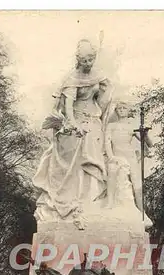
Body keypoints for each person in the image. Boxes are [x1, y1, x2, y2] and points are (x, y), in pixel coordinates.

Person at [32, 39, 113, 229]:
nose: (89, 63)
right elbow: (68, 109)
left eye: (91, 59)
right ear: (78, 59)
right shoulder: (71, 80)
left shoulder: (98, 76)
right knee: (80, 147)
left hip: (93, 120)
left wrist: (107, 90)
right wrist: (75, 126)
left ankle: (92, 203)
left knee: (94, 149)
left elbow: (101, 102)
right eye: (85, 60)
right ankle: (75, 204)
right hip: (75, 121)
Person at [104, 100, 153, 227]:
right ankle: (109, 204)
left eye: (124, 108)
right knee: (112, 173)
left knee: (137, 184)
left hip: (130, 156)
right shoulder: (111, 126)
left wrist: (145, 134)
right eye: (119, 108)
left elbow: (148, 143)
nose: (121, 110)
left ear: (128, 110)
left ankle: (142, 211)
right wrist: (111, 156)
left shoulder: (132, 126)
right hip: (116, 156)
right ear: (116, 111)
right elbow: (107, 142)